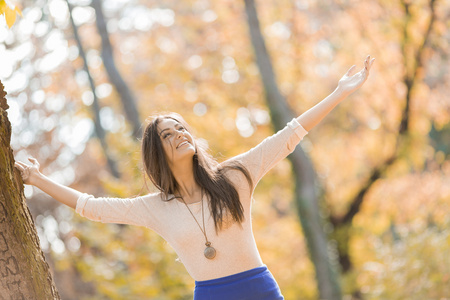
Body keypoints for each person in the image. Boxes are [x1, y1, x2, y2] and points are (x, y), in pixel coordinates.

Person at [15, 56, 374, 299]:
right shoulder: (156, 208)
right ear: (158, 154)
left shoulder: (234, 176)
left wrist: (339, 92)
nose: (181, 135)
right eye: (169, 135)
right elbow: (91, 207)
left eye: (182, 128)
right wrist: (36, 178)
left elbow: (290, 134)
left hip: (259, 290)